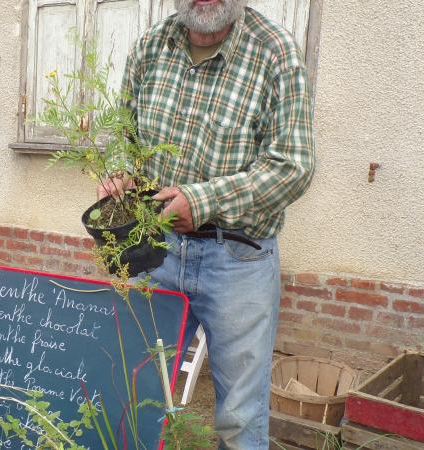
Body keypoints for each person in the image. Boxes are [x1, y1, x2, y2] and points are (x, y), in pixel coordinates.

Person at [101, 1, 315, 447]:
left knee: (240, 417)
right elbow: (124, 133)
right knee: (134, 388)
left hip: (239, 257)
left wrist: (204, 200)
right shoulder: (150, 47)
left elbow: (293, 166)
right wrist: (121, 171)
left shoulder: (275, 52)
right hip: (154, 247)